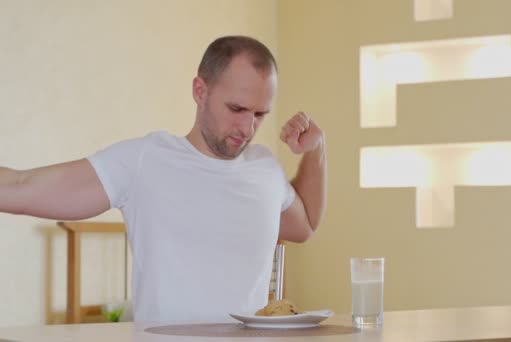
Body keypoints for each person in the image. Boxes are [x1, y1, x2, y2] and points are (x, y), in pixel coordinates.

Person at [0, 35, 326, 322]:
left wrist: (316, 149)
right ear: (200, 91)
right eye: (237, 109)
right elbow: (21, 187)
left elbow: (305, 226)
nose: (248, 128)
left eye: (260, 114)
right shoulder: (146, 160)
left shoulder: (265, 167)